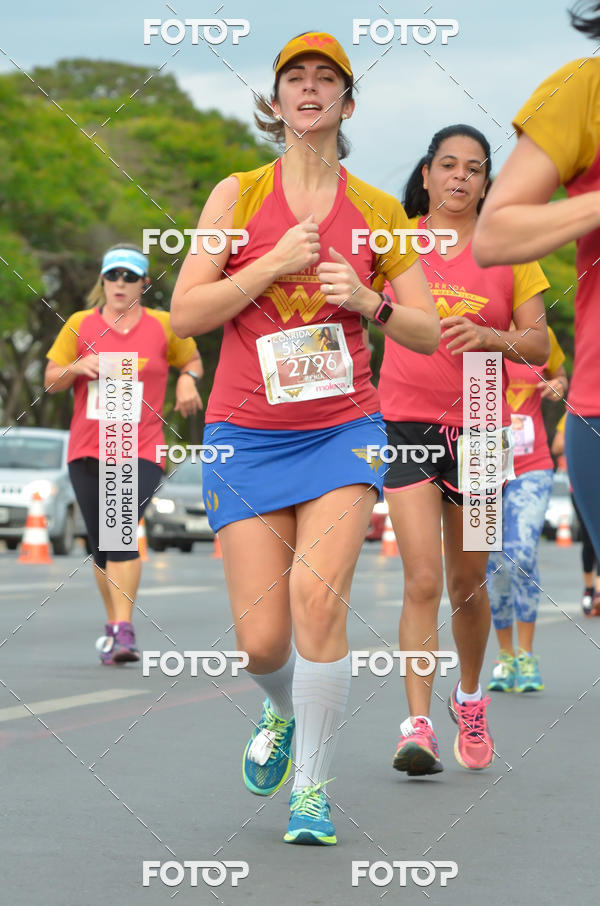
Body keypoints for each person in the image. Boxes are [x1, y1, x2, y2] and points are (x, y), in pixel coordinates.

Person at [170, 32, 439, 845]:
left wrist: (368, 298)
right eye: (296, 78)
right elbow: (185, 312)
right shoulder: (238, 196)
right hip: (244, 434)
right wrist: (270, 263)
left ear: (347, 104)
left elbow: (426, 331)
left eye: (328, 79)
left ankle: (312, 794)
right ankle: (282, 710)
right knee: (260, 642)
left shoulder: (382, 214)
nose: (311, 89)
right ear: (276, 102)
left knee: (318, 601)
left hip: (341, 431)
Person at [378, 125, 551, 777]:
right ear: (425, 175)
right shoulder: (395, 245)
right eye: (447, 165)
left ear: (487, 183)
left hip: (480, 422)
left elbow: (537, 345)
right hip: (405, 424)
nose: (459, 177)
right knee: (421, 577)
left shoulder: (509, 251)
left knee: (466, 583)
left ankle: (471, 698)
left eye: (474, 169)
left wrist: (489, 333)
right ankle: (416, 724)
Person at [473, 1, 600, 577]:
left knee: (504, 560)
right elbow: (494, 235)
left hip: (523, 447)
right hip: (466, 435)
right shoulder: (585, 89)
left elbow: (538, 348)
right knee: (471, 568)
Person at [45, 244, 202, 664]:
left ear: (144, 284)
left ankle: (123, 630)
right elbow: (50, 378)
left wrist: (187, 379)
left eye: (129, 277)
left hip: (141, 447)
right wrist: (76, 368)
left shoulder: (165, 325)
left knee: (118, 529)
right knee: (102, 545)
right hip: (87, 447)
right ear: (103, 280)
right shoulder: (80, 324)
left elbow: (193, 361)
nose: (119, 284)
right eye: (112, 276)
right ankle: (116, 629)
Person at [487, 326, 567, 693]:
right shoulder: (473, 325)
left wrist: (558, 385)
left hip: (532, 465)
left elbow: (558, 374)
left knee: (521, 552)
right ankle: (504, 656)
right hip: (482, 464)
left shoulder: (542, 335)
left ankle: (527, 654)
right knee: (491, 562)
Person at [551, 412, 600, 615]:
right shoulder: (573, 415)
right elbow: (556, 446)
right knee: (589, 540)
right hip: (581, 487)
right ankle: (589, 588)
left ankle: (597, 591)